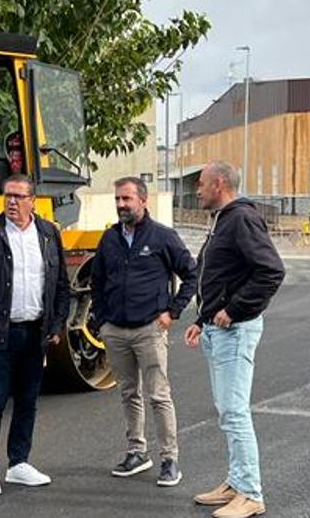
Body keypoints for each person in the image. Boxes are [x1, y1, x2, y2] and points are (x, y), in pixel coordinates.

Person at [0, 174, 71, 497]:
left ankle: (19, 463)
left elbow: (61, 284)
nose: (11, 202)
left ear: (32, 201)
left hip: (35, 333)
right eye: (7, 195)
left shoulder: (47, 233)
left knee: (27, 401)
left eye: (19, 196)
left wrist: (57, 325)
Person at [184, 161, 285, 518]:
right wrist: (202, 319)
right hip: (216, 329)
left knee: (235, 412)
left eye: (201, 183)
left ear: (219, 183)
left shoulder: (241, 219)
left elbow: (271, 271)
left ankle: (251, 493)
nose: (197, 190)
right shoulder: (223, 220)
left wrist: (234, 309)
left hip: (235, 331)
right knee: (227, 411)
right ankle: (236, 482)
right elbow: (220, 275)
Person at [90, 177, 198, 487]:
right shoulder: (110, 239)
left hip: (149, 329)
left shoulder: (162, 237)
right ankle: (137, 452)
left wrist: (172, 312)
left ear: (143, 200)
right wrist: (102, 320)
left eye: (127, 199)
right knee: (129, 393)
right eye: (118, 199)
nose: (121, 204)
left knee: (159, 396)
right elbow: (97, 281)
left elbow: (191, 274)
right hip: (116, 331)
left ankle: (169, 459)